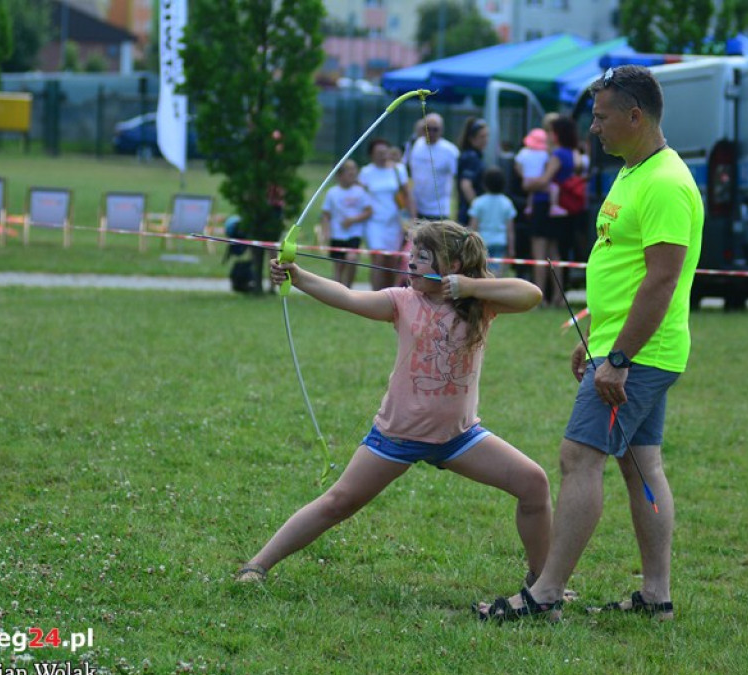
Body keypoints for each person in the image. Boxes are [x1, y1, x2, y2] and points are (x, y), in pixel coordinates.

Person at [476, 64, 704, 623]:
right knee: (641, 466)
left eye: (602, 118)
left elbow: (660, 281)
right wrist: (599, 339)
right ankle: (656, 598)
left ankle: (546, 593)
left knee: (579, 458)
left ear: (635, 115)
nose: (594, 129)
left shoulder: (668, 183)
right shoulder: (632, 173)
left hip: (641, 355)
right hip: (626, 348)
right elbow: (625, 271)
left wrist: (619, 358)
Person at [235, 221, 552, 587]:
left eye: (423, 257)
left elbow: (531, 294)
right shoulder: (402, 301)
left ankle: (542, 581)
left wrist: (467, 287)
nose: (411, 263)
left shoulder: (480, 305)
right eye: (411, 255)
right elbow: (347, 296)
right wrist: (299, 276)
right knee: (339, 502)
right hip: (397, 435)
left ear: (452, 266)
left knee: (534, 483)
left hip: (459, 437)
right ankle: (257, 565)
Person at [523, 117, 583, 307]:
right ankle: (558, 296)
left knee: (539, 254)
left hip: (544, 206)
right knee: (555, 253)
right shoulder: (572, 153)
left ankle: (539, 297)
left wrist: (529, 183)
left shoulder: (557, 154)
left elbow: (545, 180)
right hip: (559, 209)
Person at [359, 138, 413, 290]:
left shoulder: (398, 170)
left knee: (392, 260)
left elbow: (407, 194)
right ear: (371, 155)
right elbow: (360, 195)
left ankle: (389, 293)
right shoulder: (366, 172)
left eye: (385, 152)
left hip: (394, 221)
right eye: (378, 153)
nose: (383, 156)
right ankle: (375, 295)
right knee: (378, 258)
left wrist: (412, 218)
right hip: (374, 222)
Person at [319, 160, 372, 288]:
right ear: (340, 175)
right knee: (338, 264)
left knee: (352, 259)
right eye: (349, 170)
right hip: (337, 233)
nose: (353, 173)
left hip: (354, 233)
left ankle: (348, 287)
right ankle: (336, 290)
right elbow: (326, 214)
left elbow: (368, 211)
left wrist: (353, 220)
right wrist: (326, 232)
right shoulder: (332, 192)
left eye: (354, 169)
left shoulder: (360, 191)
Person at [407, 113, 459, 221]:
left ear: (441, 130)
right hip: (417, 209)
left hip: (439, 210)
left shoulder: (450, 151)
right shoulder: (415, 145)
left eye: (435, 129)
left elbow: (457, 178)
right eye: (428, 128)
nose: (431, 132)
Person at [468, 166, 516, 276]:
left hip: (483, 241)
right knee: (497, 272)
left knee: (482, 271)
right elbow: (510, 229)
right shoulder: (507, 202)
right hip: (500, 241)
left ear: (485, 184)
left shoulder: (479, 202)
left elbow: (473, 226)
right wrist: (512, 248)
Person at [514, 127, 567, 219]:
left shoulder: (523, 152)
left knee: (532, 191)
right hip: (539, 179)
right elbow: (547, 167)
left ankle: (529, 207)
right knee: (554, 188)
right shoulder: (544, 154)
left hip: (526, 180)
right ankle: (553, 206)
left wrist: (523, 176)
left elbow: (517, 166)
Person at [456, 116, 488, 226]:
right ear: (472, 139)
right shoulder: (471, 157)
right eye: (482, 137)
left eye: (487, 136)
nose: (486, 140)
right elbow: (466, 185)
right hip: (468, 216)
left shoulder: (474, 155)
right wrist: (478, 212)